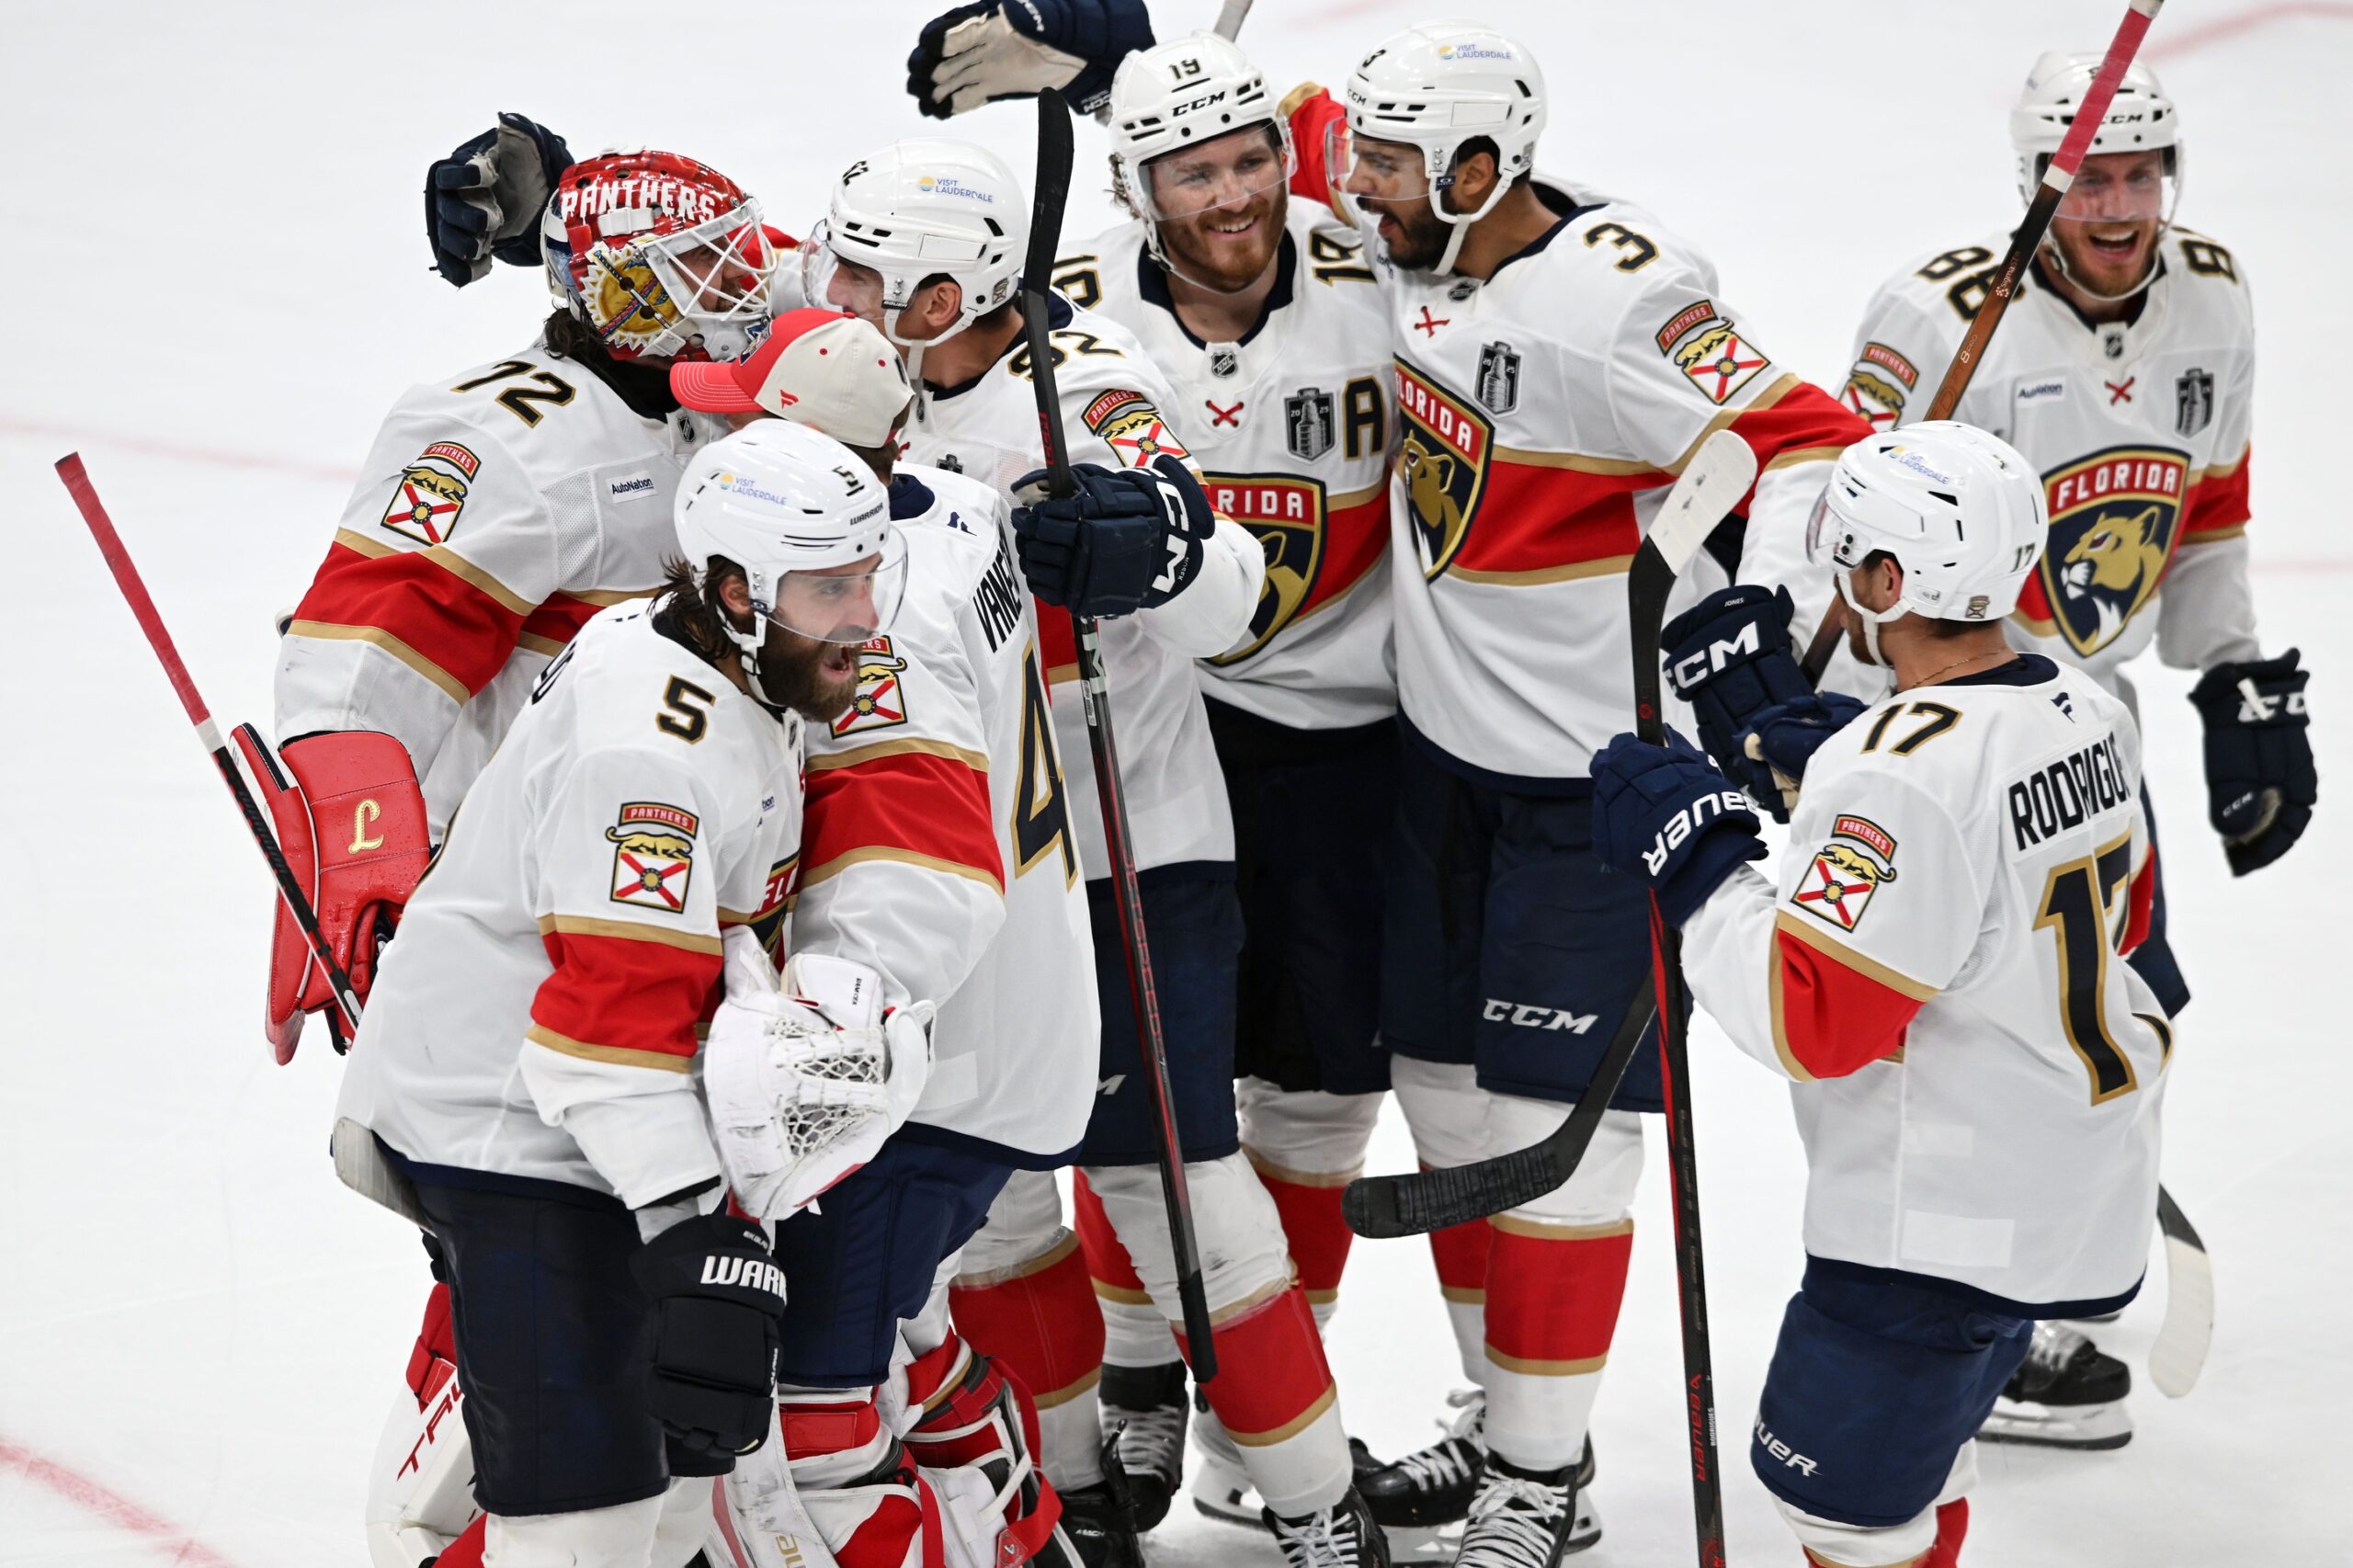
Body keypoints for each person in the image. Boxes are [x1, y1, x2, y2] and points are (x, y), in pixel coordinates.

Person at [269, 142, 779, 1568]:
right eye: (708, 277)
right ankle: (449, 1513)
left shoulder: (688, 368)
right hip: (528, 929)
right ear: (619, 298)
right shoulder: (506, 438)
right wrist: (366, 865)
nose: (750, 294)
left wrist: (573, 185)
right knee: (551, 1255)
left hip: (661, 901)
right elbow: (351, 673)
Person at [333, 417, 931, 1568]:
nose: (864, 617)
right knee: (586, 1518)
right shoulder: (648, 751)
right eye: (827, 589)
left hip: (583, 1120)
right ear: (732, 588)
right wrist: (692, 1229)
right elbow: (600, 1040)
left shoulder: (706, 654)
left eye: (868, 577)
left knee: (668, 1491)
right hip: (516, 1135)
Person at [1824, 51, 2313, 1446]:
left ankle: (2044, 1300)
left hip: (2090, 720)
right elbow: (1850, 525)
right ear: (2041, 183)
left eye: (2143, 174)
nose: (2120, 205)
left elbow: (2208, 494)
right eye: (2093, 176)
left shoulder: (2212, 292)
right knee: (1956, 1012)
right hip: (1950, 723)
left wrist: (2236, 675)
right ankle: (1977, 1298)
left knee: (2110, 995)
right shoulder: (1936, 315)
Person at [1589, 421, 2172, 1568]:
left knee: (1845, 1513)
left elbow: (1813, 1017)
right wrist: (1830, 764)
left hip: (1934, 1232)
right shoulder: (2085, 704)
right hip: (2074, 1190)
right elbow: (2121, 917)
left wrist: (1697, 855)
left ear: (1890, 579)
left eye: (1851, 557)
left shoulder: (1898, 771)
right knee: (1926, 1461)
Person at [1016, 30, 1407, 1545]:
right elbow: (872, 286)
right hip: (1160, 735)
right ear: (1136, 185)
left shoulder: (1372, 270)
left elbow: (1521, 221)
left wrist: (1120, 47)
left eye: (1250, 159)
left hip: (1345, 742)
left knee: (1313, 1105)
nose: (1233, 194)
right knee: (1145, 1105)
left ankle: (1261, 1394)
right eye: (1194, 169)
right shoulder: (1068, 318)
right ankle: (1136, 1370)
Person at [669, 309, 1109, 1567]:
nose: (716, 431)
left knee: (818, 1435)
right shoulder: (956, 506)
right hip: (1010, 1036)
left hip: (917, 1076)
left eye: (748, 419)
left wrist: (808, 1056)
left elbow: (906, 875)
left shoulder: (871, 618)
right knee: (914, 1336)